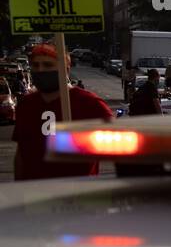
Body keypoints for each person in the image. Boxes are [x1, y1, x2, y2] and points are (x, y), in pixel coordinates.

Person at [10, 43, 114, 180]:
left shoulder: (90, 103)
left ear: (66, 69)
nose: (40, 70)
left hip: (75, 193)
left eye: (48, 65)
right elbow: (21, 153)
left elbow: (116, 144)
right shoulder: (26, 104)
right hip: (34, 191)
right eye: (36, 65)